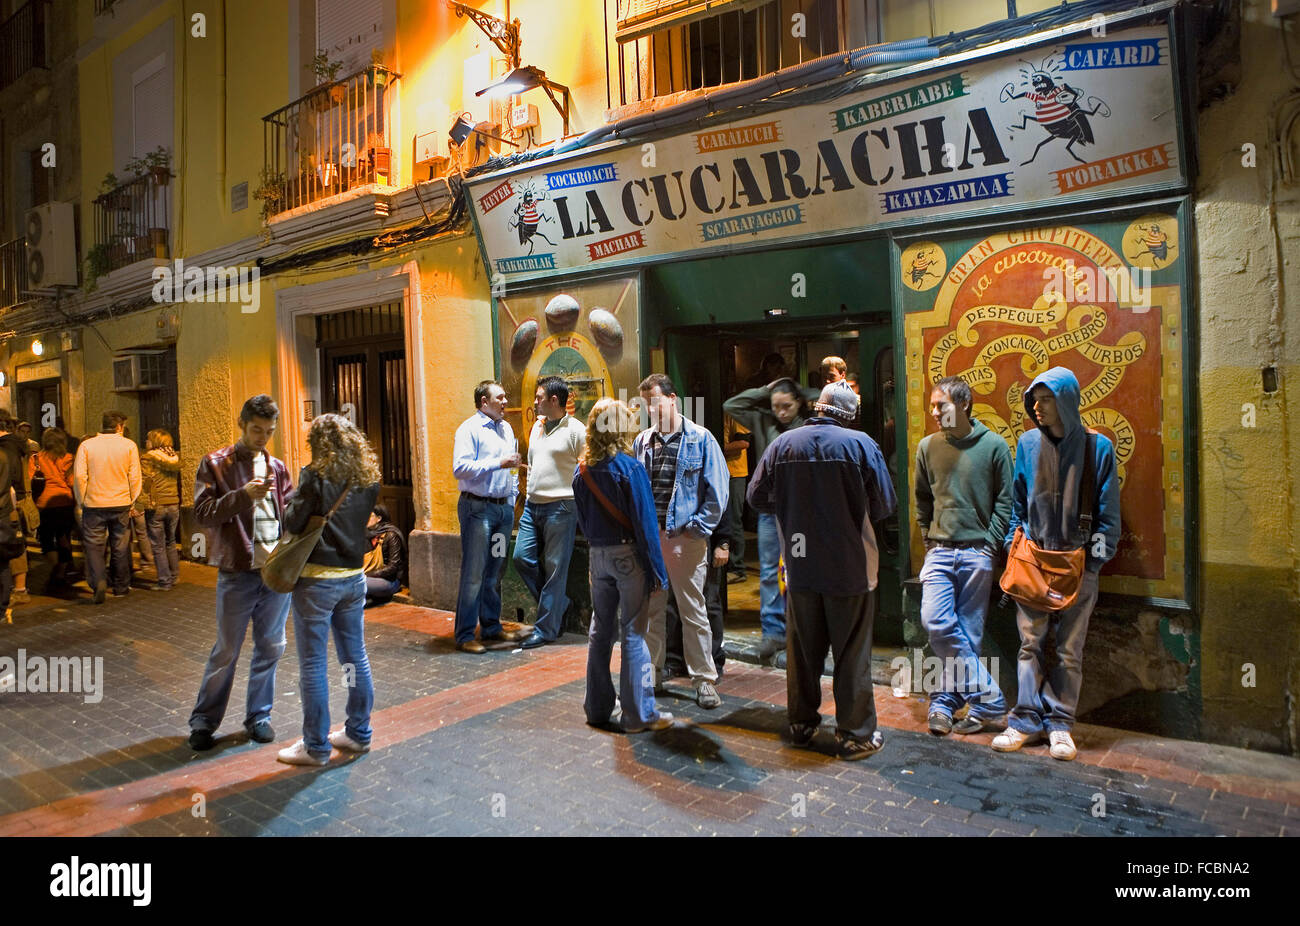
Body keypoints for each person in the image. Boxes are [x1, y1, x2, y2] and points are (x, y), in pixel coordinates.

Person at [748, 381, 896, 759]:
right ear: (850, 415)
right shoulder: (862, 444)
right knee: (851, 653)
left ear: (818, 407)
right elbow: (883, 506)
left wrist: (795, 507)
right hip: (850, 568)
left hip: (800, 567)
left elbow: (756, 497)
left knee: (802, 652)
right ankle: (855, 735)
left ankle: (800, 725)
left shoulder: (783, 445)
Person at [992, 367, 1120, 761]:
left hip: (1077, 562)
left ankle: (1060, 724)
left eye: (1045, 399)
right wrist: (1015, 544)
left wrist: (1094, 564)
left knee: (1068, 650)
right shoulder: (1028, 443)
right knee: (1029, 645)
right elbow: (1016, 501)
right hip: (1032, 559)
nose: (1036, 406)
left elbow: (1108, 515)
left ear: (1066, 402)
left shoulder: (1097, 448)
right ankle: (1025, 720)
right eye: (1034, 399)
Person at [187, 395, 293, 751]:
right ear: (241, 424)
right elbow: (202, 514)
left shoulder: (277, 467)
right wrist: (243, 495)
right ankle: (204, 720)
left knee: (270, 646)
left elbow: (290, 511)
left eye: (269, 431)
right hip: (237, 570)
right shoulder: (216, 463)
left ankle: (259, 717)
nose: (263, 437)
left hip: (275, 572)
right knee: (227, 648)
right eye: (256, 430)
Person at [276, 414, 382, 766]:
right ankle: (358, 733)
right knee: (355, 657)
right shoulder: (367, 478)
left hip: (317, 579)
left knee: (313, 664)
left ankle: (316, 746)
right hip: (353, 577)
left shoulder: (314, 476)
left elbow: (293, 521)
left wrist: (294, 498)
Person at [914, 376, 1013, 736]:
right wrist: (928, 538)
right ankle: (990, 698)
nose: (934, 412)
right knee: (936, 623)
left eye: (941, 405)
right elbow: (922, 498)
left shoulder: (995, 447)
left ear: (964, 405)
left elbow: (1006, 501)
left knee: (968, 638)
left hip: (977, 553)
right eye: (932, 406)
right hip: (939, 552)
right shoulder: (927, 447)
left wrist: (989, 544)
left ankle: (943, 703)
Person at [572, 398, 673, 733]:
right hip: (629, 557)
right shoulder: (630, 468)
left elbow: (583, 522)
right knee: (633, 633)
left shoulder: (582, 469)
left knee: (600, 631)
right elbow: (645, 525)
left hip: (597, 556)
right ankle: (638, 715)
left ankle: (597, 709)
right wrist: (658, 571)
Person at [634, 373, 728, 709]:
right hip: (652, 539)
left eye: (655, 402)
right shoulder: (643, 441)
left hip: (684, 539)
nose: (651, 410)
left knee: (693, 610)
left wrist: (698, 529)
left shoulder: (701, 439)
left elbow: (718, 491)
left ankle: (704, 680)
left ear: (672, 399)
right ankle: (653, 674)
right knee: (653, 610)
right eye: (646, 405)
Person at [723, 377, 817, 659]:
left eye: (786, 405)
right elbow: (731, 404)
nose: (781, 412)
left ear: (798, 402)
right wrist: (765, 390)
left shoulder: (809, 425)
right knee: (767, 572)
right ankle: (773, 633)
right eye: (776, 406)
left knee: (799, 568)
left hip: (800, 514)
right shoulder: (763, 420)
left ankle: (800, 630)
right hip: (769, 513)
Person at [451, 380, 525, 654]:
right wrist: (498, 463)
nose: (505, 402)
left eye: (505, 397)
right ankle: (465, 634)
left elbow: (512, 466)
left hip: (501, 510)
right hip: (477, 509)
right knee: (474, 573)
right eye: (500, 398)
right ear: (484, 402)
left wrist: (511, 498)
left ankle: (491, 627)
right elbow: (460, 468)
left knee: (495, 569)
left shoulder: (505, 428)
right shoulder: (469, 429)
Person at [513, 375, 586, 648]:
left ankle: (546, 629)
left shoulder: (576, 430)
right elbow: (533, 464)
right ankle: (559, 605)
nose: (535, 401)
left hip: (562, 507)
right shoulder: (537, 427)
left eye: (539, 397)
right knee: (521, 558)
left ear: (554, 400)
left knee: (556, 569)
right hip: (533, 506)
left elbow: (585, 467)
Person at [72, 411, 141, 603]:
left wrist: (82, 499)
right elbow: (134, 477)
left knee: (94, 546)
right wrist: (132, 499)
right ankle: (120, 586)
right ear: (119, 426)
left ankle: (99, 582)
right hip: (121, 503)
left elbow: (79, 476)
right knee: (119, 545)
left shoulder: (87, 445)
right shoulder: (129, 445)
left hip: (94, 503)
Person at [663, 503, 729, 681]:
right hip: (675, 537)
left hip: (703, 537)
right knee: (672, 601)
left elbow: (721, 501)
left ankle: (713, 662)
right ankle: (674, 661)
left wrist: (723, 542)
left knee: (708, 602)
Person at [30, 427, 77, 594]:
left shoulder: (35, 459)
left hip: (44, 505)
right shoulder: (68, 458)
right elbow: (72, 482)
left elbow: (30, 481)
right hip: (65, 503)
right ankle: (60, 573)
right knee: (64, 538)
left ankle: (56, 568)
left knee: (47, 541)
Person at [141, 428, 182, 591]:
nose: (146, 442)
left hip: (156, 504)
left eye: (148, 439)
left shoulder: (148, 458)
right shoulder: (174, 457)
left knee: (158, 545)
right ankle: (174, 575)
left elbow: (145, 482)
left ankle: (164, 581)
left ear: (156, 441)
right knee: (170, 542)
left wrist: (140, 503)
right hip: (173, 504)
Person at [0, 413, 30, 605]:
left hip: (8, 502)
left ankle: (19, 589)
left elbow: (7, 478)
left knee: (11, 544)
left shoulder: (5, 447)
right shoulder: (14, 445)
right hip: (13, 499)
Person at [722, 414, 750, 583]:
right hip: (723, 472)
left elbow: (743, 443)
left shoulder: (733, 415)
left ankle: (737, 568)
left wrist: (717, 447)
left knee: (733, 521)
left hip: (734, 474)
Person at [363, 504, 406, 606]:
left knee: (355, 583)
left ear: (379, 518)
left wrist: (365, 575)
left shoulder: (391, 535)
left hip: (390, 580)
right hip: (369, 576)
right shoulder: (367, 533)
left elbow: (393, 567)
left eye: (369, 515)